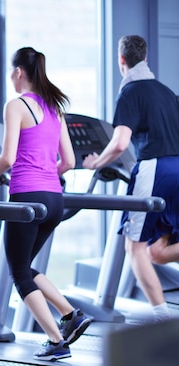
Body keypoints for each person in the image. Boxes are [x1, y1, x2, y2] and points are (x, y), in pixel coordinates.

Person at [0, 47, 92, 361]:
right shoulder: (55, 107)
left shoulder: (16, 106)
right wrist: (48, 173)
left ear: (19, 72)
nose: (11, 77)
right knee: (26, 267)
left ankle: (55, 340)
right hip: (54, 199)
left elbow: (7, 158)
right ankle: (70, 315)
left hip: (27, 198)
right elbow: (70, 161)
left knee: (19, 273)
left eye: (12, 72)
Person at [82, 35, 179, 322]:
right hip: (177, 167)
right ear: (145, 58)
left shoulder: (130, 92)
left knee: (134, 248)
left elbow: (121, 142)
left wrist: (95, 162)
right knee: (158, 252)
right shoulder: (165, 92)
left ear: (121, 60)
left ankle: (163, 321)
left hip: (154, 169)